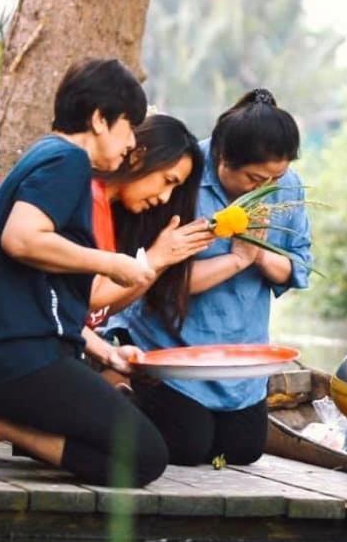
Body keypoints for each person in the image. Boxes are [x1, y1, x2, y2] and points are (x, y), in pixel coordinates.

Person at [0, 58, 169, 486]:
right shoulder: (68, 162)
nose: (132, 142)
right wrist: (113, 263)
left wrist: (102, 350)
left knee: (125, 432)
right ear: (100, 119)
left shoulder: (47, 154)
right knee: (146, 458)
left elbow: (35, 294)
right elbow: (21, 239)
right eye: (129, 126)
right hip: (9, 359)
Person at [107, 89, 311, 467]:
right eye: (254, 178)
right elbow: (166, 282)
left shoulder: (286, 187)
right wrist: (237, 259)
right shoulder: (183, 175)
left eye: (275, 178)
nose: (264, 187)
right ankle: (122, 390)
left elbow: (297, 267)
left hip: (238, 358)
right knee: (187, 447)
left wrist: (259, 254)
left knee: (242, 450)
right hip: (172, 348)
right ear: (222, 157)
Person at [82, 114, 214, 376]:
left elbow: (103, 308)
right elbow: (91, 300)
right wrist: (154, 258)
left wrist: (161, 261)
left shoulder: (111, 213)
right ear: (138, 155)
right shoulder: (91, 198)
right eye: (168, 181)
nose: (165, 198)